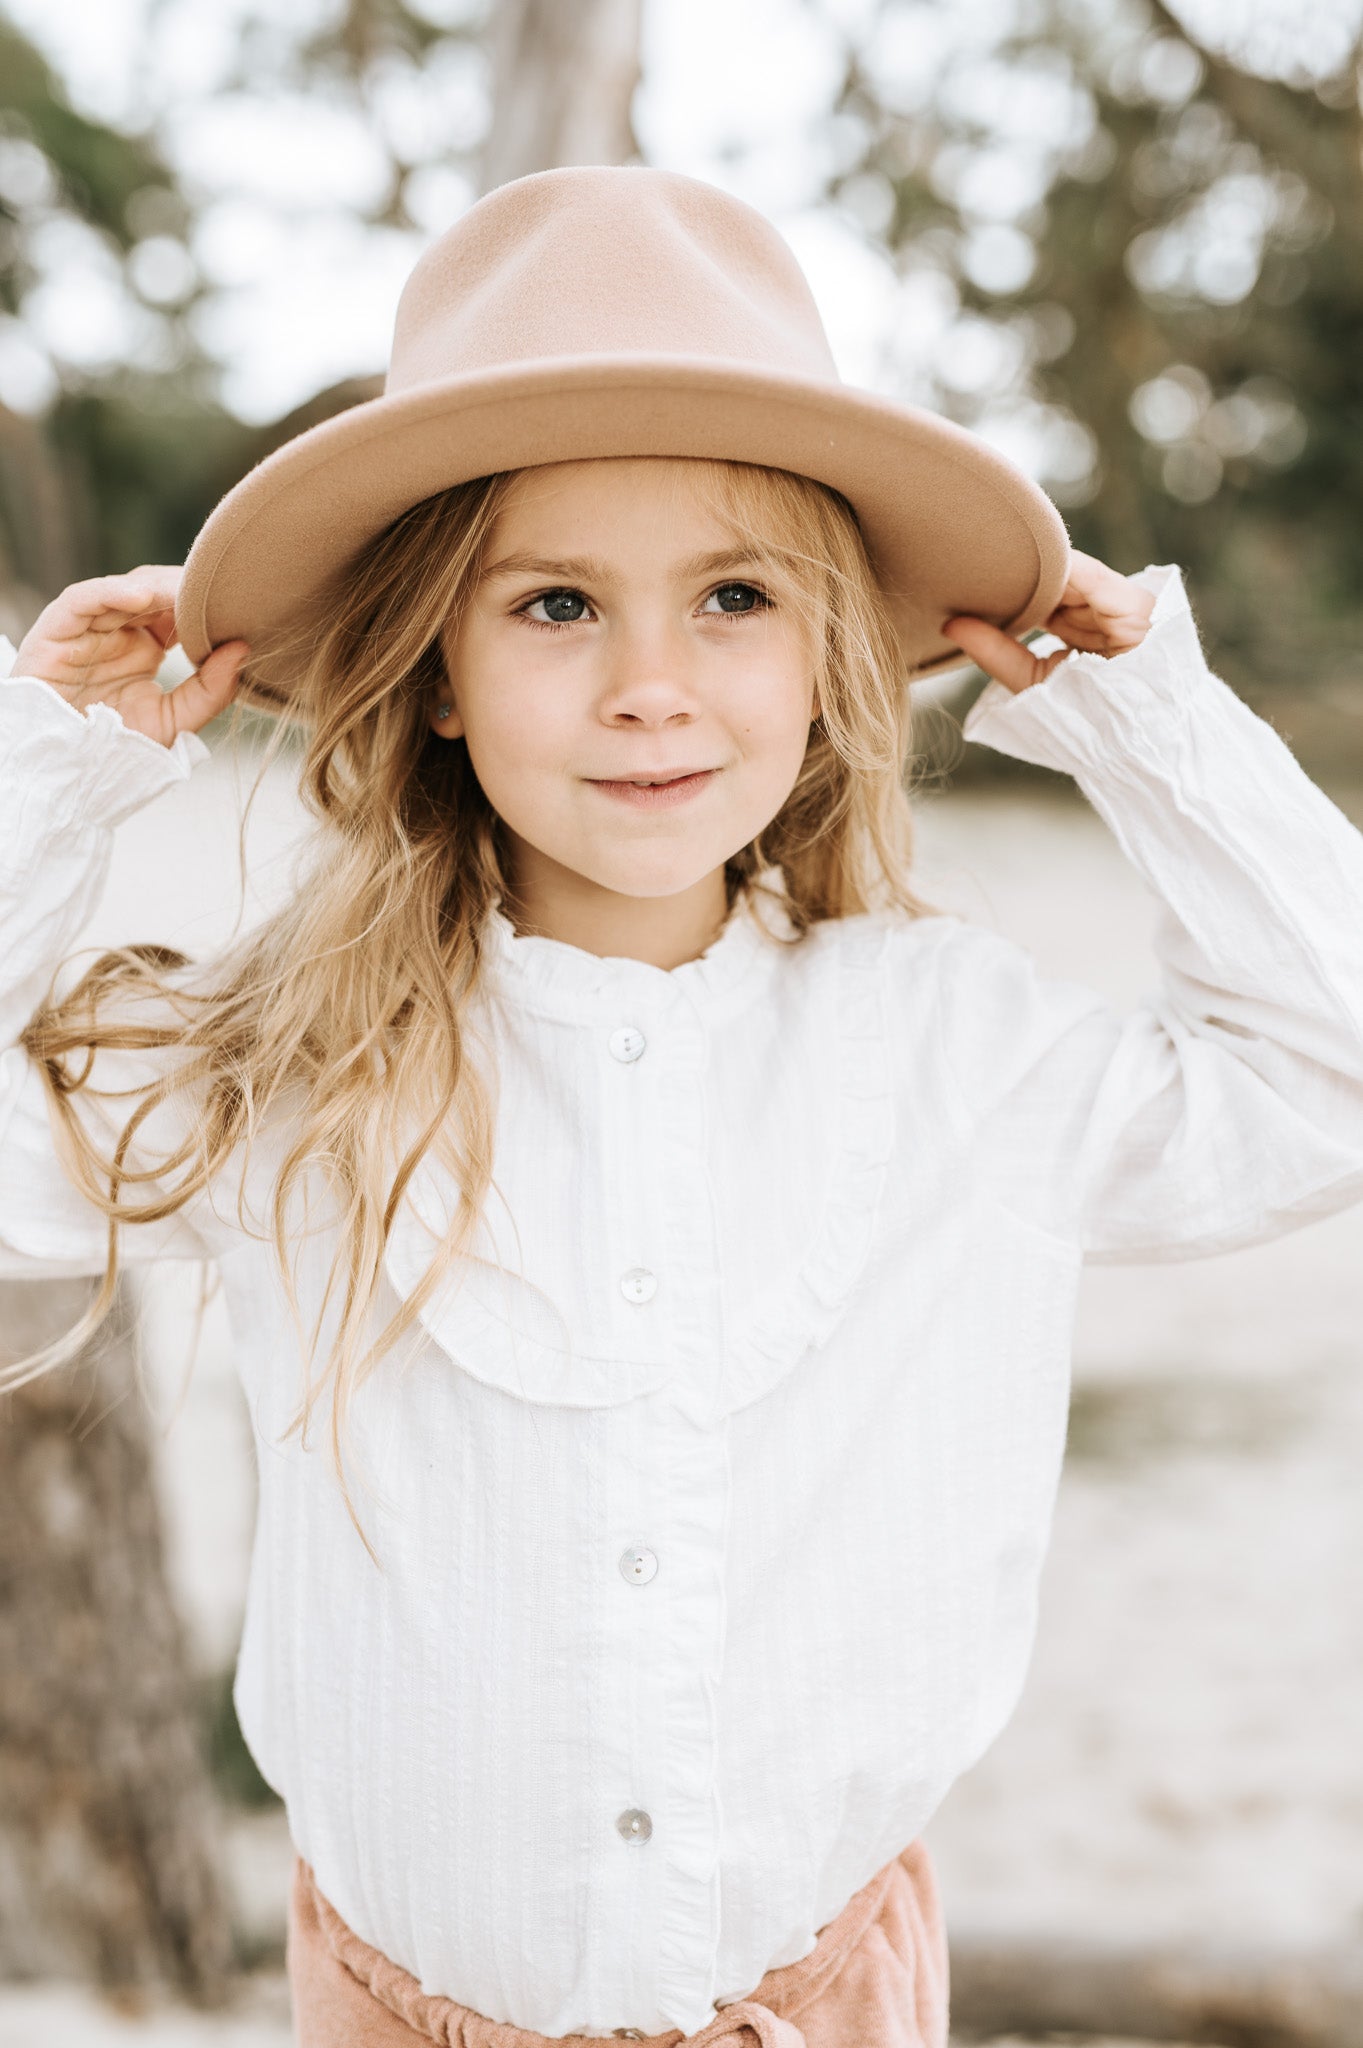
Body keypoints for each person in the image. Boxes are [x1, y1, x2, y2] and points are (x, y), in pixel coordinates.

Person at [2, 167, 1362, 2048]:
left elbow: (1331, 1074)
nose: (652, 687)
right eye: (557, 604)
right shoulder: (295, 1063)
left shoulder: (953, 1046)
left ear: (825, 658)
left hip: (825, 2003)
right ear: (444, 676)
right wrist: (50, 765)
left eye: (735, 597)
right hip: (395, 2010)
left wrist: (1157, 726)